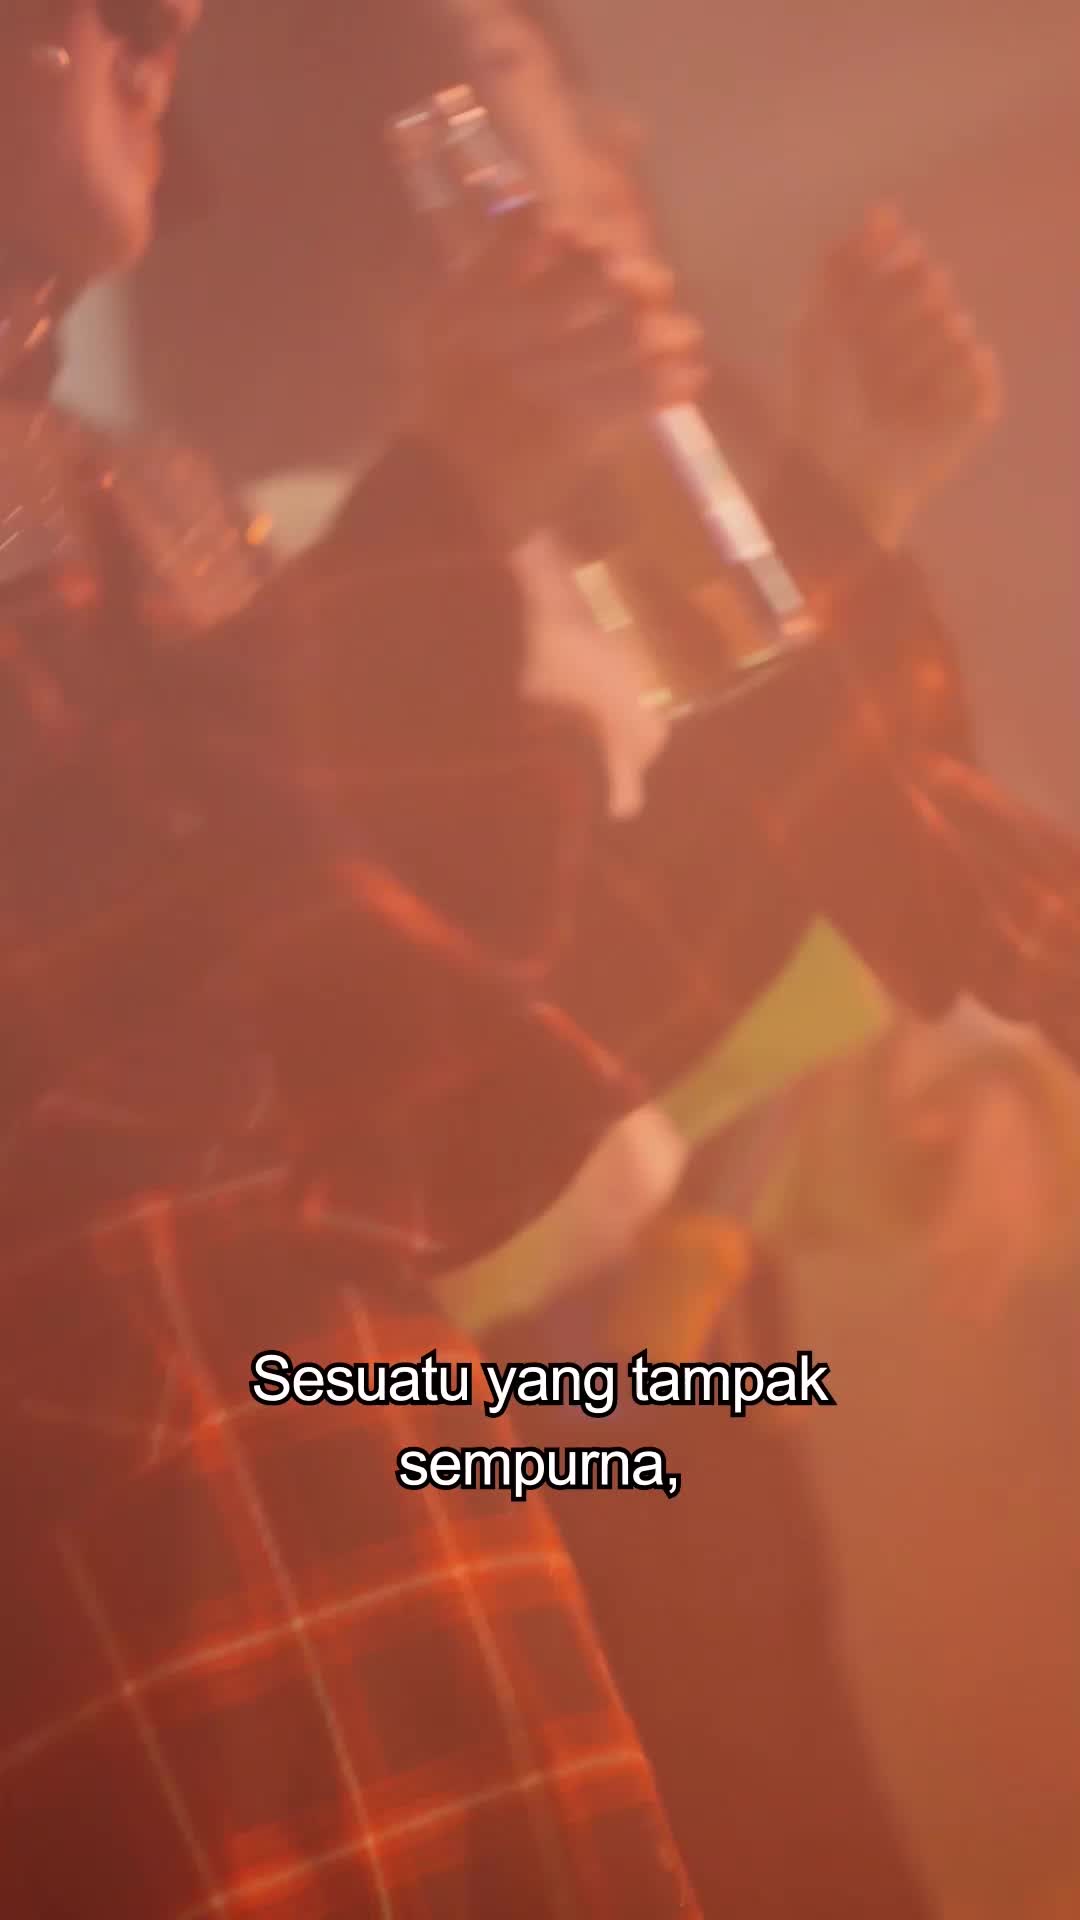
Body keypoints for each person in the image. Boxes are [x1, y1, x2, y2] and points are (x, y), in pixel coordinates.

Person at [1, 6, 1079, 1919]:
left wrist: (824, 515)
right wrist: (456, 500)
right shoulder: (326, 531)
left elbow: (455, 1104)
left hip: (427, 1607)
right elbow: (151, 1080)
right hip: (251, 1642)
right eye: (495, 79)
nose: (164, 19)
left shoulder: (145, 504)